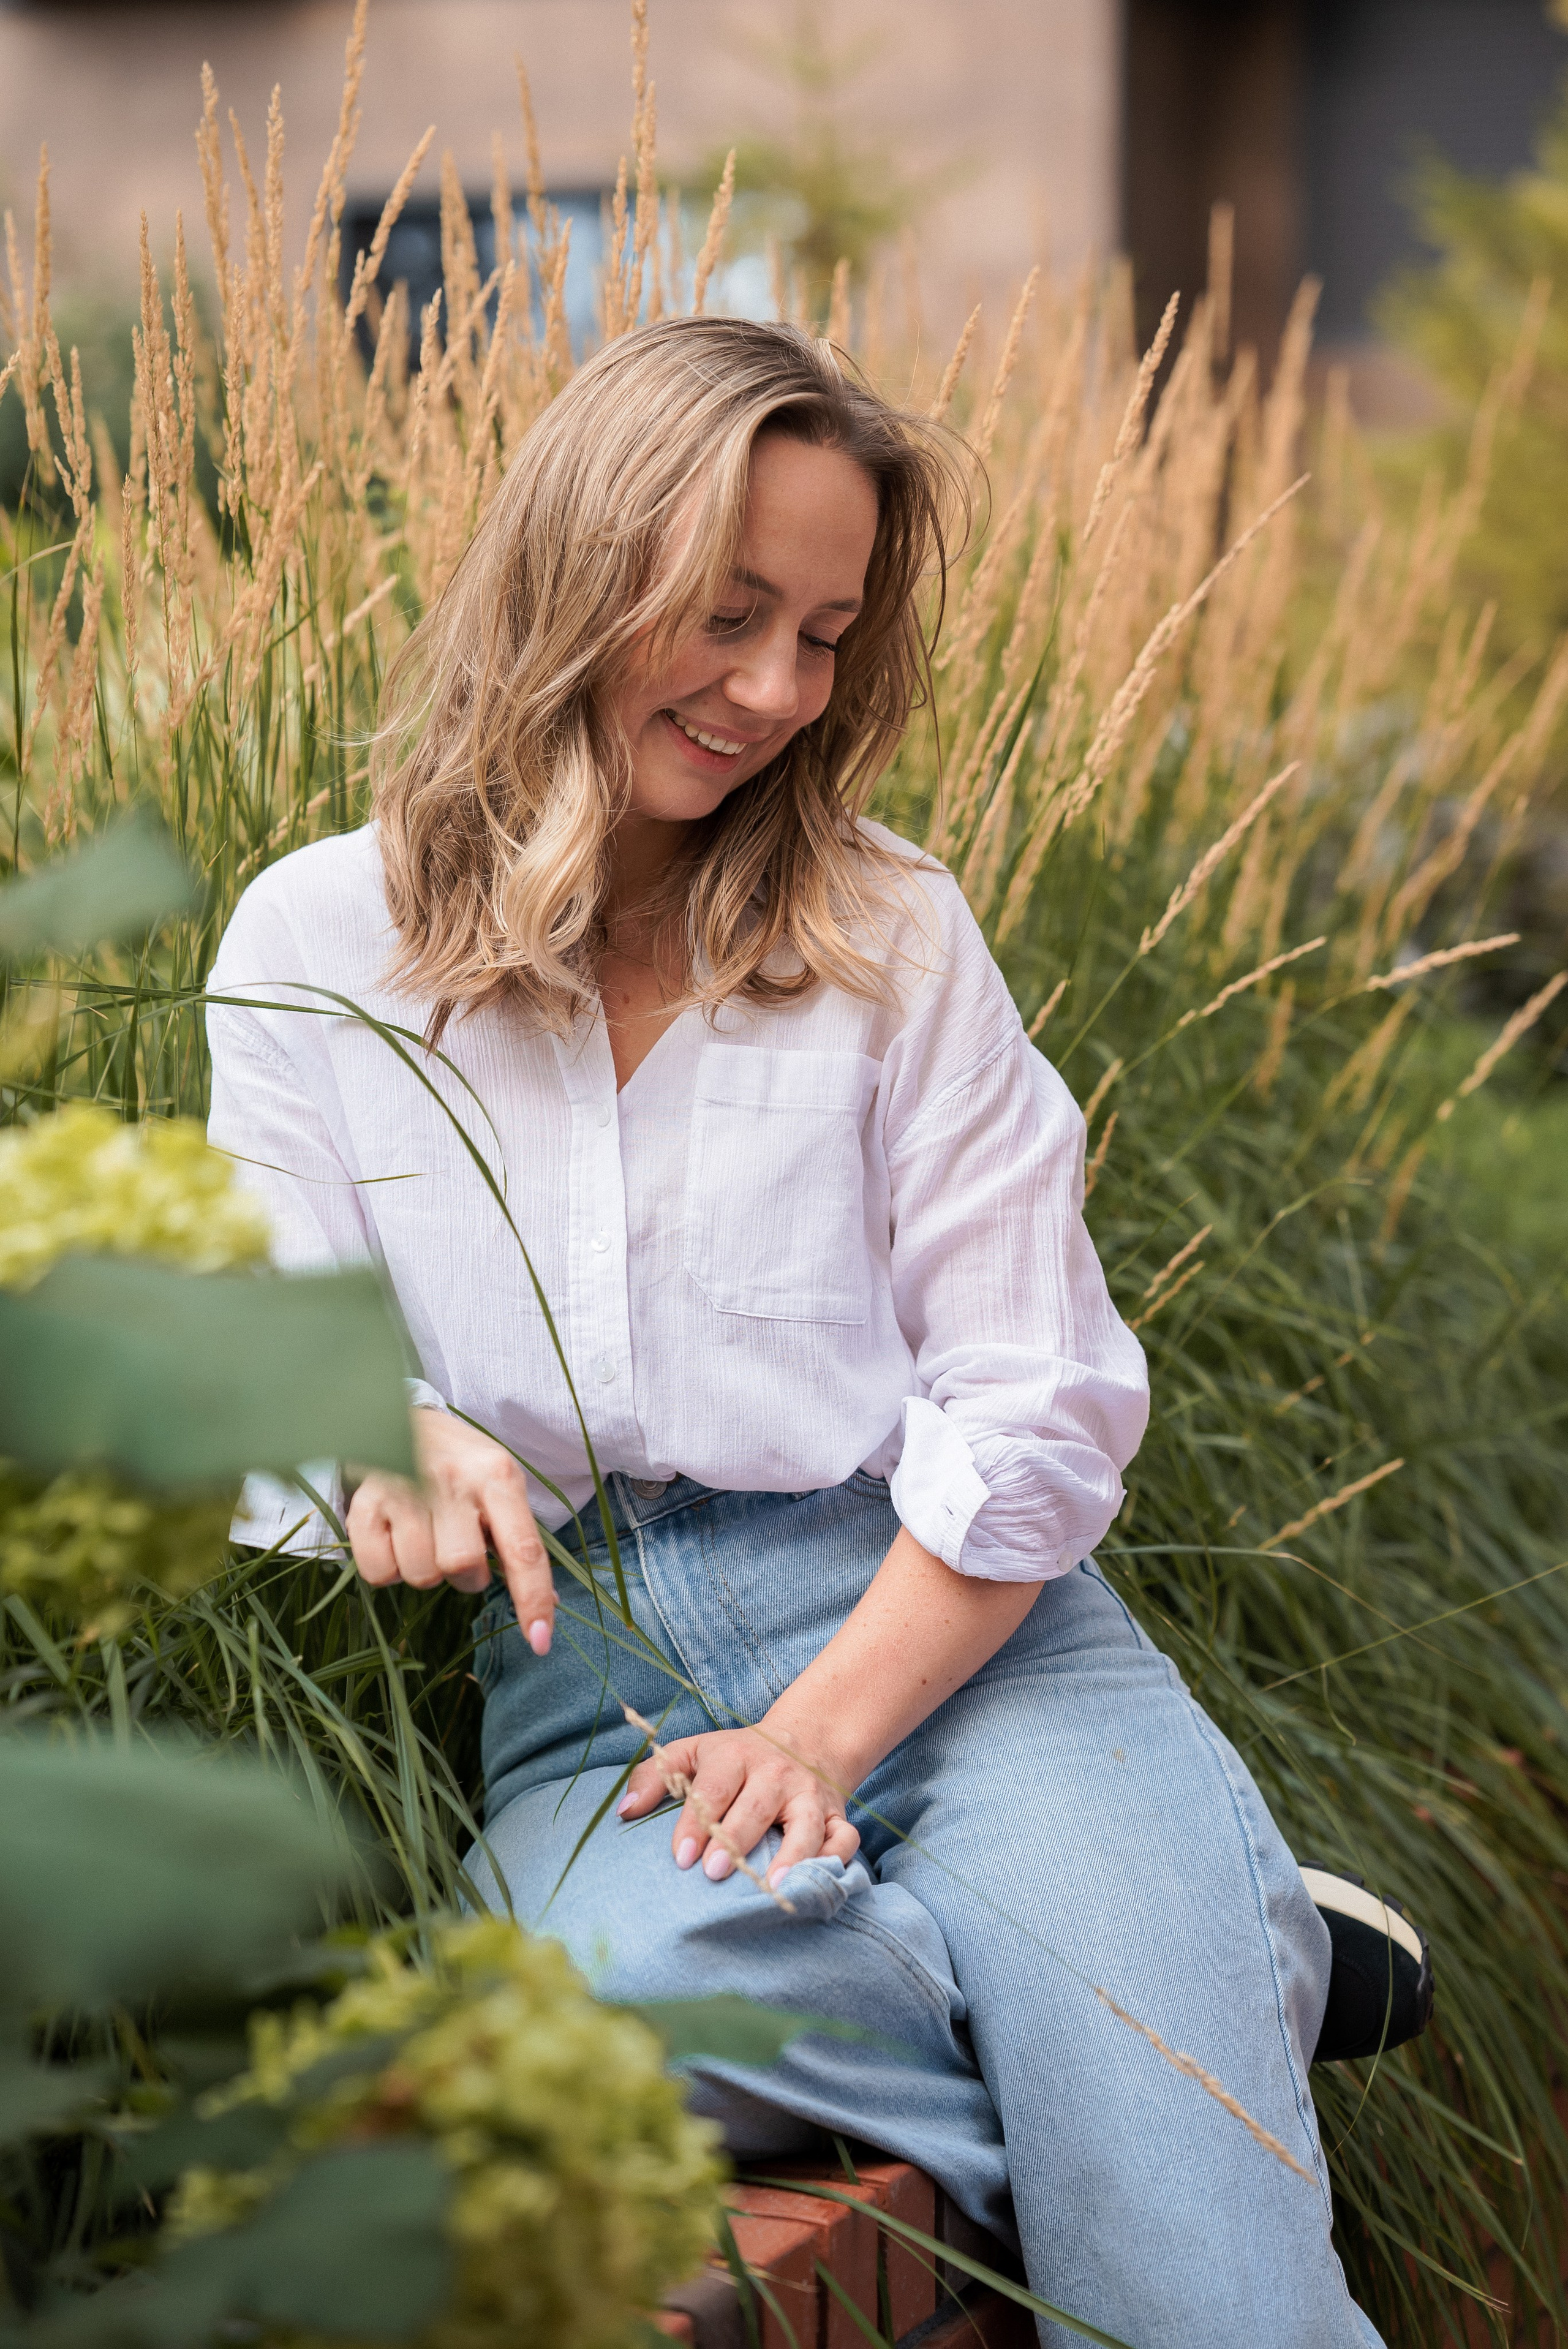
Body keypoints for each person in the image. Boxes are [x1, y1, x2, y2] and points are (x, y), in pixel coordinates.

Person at [206, 315, 1384, 2349]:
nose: (776, 687)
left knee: (1199, 2258)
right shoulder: (314, 941)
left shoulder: (891, 929)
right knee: (575, 2036)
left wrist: (822, 1735)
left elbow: (1034, 1389)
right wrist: (384, 1426)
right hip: (597, 1684)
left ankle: (1159, 1943)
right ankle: (1217, 1938)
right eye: (729, 610)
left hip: (956, 1619)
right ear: (583, 564)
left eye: (825, 631)